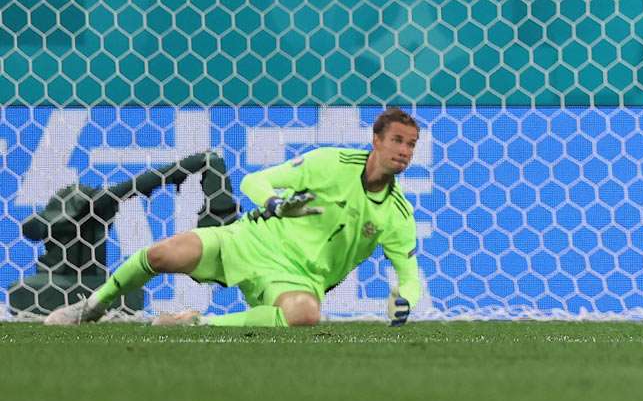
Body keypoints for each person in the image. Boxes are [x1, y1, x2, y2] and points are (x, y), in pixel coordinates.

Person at [44, 108, 423, 328]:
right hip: (249, 239)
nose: (404, 151)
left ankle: (195, 323)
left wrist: (404, 300)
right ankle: (91, 306)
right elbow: (256, 181)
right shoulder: (329, 163)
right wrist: (275, 203)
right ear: (376, 140)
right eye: (397, 141)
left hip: (297, 277)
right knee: (162, 255)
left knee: (305, 315)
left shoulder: (396, 214)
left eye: (411, 145)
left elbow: (408, 275)